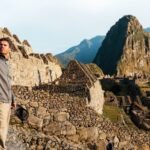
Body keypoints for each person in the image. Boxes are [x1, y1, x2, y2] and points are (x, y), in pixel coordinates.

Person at [0, 37, 16, 150]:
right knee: (0, 128)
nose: (1, 46)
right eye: (0, 44)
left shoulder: (6, 64)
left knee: (4, 127)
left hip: (7, 101)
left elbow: (8, 84)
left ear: (10, 48)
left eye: (4, 45)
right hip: (0, 100)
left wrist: (13, 99)